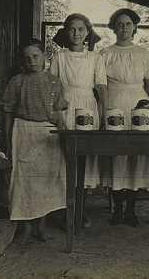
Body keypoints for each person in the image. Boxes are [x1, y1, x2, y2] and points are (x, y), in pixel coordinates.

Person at [1, 38, 68, 244]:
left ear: (45, 56)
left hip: (48, 134)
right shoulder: (17, 82)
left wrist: (64, 134)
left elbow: (58, 114)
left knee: (46, 180)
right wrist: (7, 140)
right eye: (27, 58)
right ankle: (26, 228)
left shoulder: (54, 82)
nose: (32, 61)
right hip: (23, 132)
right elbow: (7, 113)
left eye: (36, 56)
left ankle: (41, 226)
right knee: (24, 181)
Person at [49, 13, 108, 227]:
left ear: (87, 32)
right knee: (64, 159)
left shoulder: (95, 57)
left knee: (83, 160)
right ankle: (65, 212)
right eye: (72, 29)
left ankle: (79, 212)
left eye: (81, 29)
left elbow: (101, 86)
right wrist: (56, 115)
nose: (76, 33)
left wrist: (103, 112)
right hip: (65, 105)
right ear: (66, 32)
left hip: (87, 108)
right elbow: (52, 86)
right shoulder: (59, 57)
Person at [98, 9, 149, 227]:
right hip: (114, 102)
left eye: (128, 24)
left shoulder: (143, 53)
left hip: (138, 103)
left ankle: (132, 210)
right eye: (119, 24)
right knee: (116, 156)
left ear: (134, 27)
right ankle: (118, 209)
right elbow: (100, 83)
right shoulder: (105, 53)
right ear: (113, 27)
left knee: (136, 156)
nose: (124, 28)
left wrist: (142, 100)